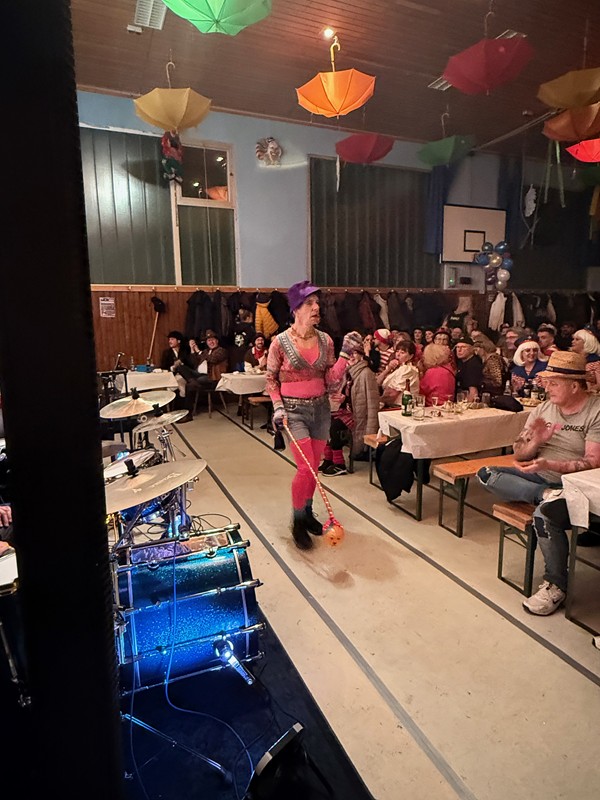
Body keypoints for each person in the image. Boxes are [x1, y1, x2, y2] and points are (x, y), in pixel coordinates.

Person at [477, 351, 600, 615]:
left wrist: (550, 464)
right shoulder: (544, 408)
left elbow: (593, 463)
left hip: (576, 485)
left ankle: (556, 586)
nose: (547, 387)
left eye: (554, 383)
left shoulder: (596, 410)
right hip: (541, 477)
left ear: (575, 386)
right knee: (486, 473)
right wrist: (535, 442)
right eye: (547, 382)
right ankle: (544, 493)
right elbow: (519, 454)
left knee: (544, 515)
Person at [266, 281, 361, 550]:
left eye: (317, 302)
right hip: (293, 412)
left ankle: (307, 514)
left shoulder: (326, 340)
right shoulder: (279, 343)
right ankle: (297, 522)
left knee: (313, 468)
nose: (316, 307)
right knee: (305, 467)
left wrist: (345, 355)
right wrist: (278, 406)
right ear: (296, 308)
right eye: (309, 303)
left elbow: (331, 381)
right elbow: (271, 379)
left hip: (320, 409)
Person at [319, 336, 380, 475]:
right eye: (350, 353)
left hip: (358, 416)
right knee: (324, 422)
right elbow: (348, 393)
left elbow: (373, 403)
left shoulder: (366, 373)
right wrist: (343, 398)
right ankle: (329, 459)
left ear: (361, 355)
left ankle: (339, 463)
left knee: (334, 427)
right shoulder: (349, 371)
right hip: (347, 410)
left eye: (355, 353)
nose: (352, 356)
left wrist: (371, 429)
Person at [378, 341, 420, 407]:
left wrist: (376, 403)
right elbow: (377, 382)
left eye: (402, 352)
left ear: (411, 356)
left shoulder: (408, 370)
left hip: (401, 407)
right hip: (389, 404)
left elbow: (392, 394)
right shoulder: (397, 368)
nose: (398, 354)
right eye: (397, 351)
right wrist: (388, 369)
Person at [454, 335, 483, 401]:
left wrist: (467, 406)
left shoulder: (473, 365)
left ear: (471, 349)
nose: (459, 350)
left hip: (467, 400)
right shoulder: (461, 361)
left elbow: (473, 392)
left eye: (463, 347)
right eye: (457, 347)